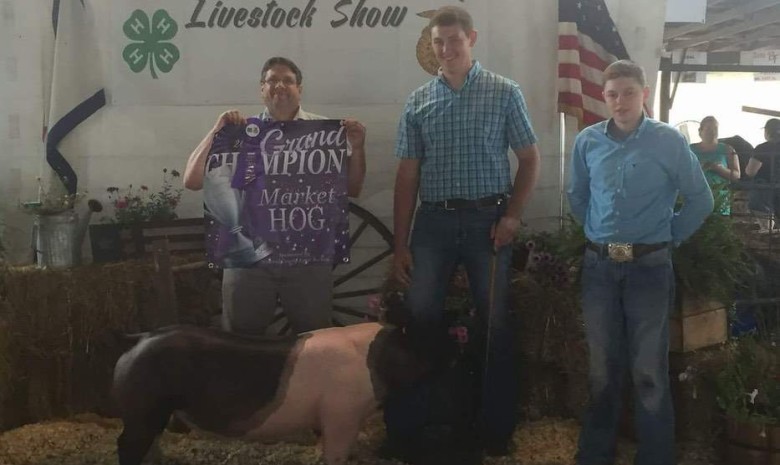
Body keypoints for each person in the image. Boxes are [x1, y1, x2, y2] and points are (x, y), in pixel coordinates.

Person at [385, 5, 540, 461]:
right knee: (419, 321)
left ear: (471, 39)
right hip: (432, 224)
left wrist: (512, 216)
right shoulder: (418, 101)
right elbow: (407, 176)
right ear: (430, 47)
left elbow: (530, 159)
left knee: (494, 325)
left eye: (454, 40)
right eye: (438, 42)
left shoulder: (504, 92)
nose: (446, 49)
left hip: (486, 222)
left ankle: (493, 431)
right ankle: (414, 429)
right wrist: (400, 245)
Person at [567, 60, 713, 465]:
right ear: (604, 96)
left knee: (648, 371)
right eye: (612, 94)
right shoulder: (587, 142)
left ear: (644, 94)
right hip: (599, 270)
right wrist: (599, 236)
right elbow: (577, 197)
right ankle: (595, 455)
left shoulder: (668, 141)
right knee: (601, 369)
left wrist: (667, 239)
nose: (620, 101)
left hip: (648, 269)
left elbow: (702, 200)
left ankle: (655, 456)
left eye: (629, 92)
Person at [183, 56, 367, 335]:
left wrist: (358, 148)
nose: (280, 86)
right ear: (262, 89)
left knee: (316, 346)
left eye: (288, 80)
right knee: (240, 344)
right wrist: (217, 131)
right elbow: (192, 180)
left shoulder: (324, 132)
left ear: (299, 89)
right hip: (249, 259)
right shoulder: (239, 133)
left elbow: (352, 189)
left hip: (308, 258)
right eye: (272, 80)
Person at [689, 116, 740, 215]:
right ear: (700, 131)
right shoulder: (690, 149)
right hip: (695, 196)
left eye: (715, 128)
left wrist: (719, 169)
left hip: (719, 198)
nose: (712, 132)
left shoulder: (728, 149)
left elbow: (736, 176)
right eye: (708, 128)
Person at [745, 118, 780, 232]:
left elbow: (750, 171)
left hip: (765, 190)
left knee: (768, 229)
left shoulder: (763, 148)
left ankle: (768, 230)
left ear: (767, 132)